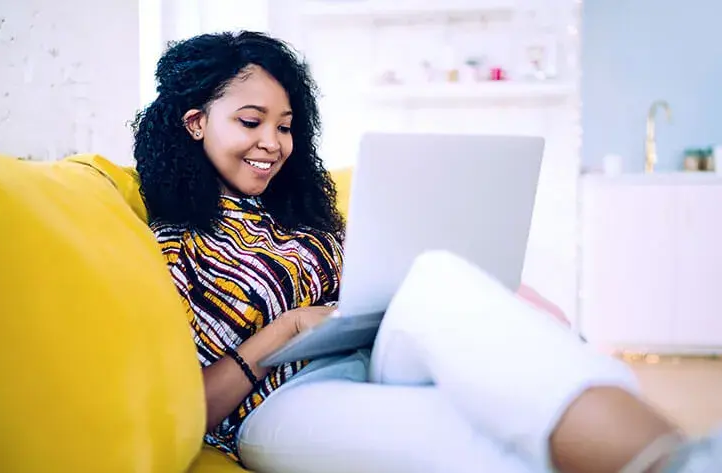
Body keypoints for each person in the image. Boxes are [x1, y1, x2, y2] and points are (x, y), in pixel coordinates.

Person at [133, 30, 721, 473]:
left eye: (285, 126)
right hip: (276, 407)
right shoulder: (173, 244)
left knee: (436, 275)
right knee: (496, 438)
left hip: (370, 358)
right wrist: (283, 331)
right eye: (252, 121)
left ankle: (681, 457)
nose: (273, 143)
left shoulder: (298, 211)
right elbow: (191, 408)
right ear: (194, 123)